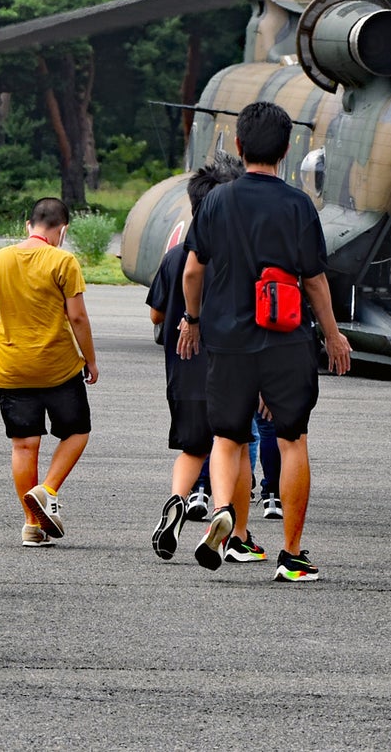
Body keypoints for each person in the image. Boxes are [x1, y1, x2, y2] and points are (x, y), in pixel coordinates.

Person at [177, 100, 352, 582]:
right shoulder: (297, 205)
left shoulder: (215, 201)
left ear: (238, 145)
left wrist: (192, 320)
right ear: (288, 149)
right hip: (285, 340)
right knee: (292, 439)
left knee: (227, 437)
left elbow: (194, 269)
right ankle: (292, 556)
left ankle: (225, 521)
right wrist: (334, 337)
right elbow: (315, 280)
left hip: (228, 339)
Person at [146, 155, 264, 564]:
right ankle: (232, 527)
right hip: (231, 369)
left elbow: (157, 315)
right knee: (234, 443)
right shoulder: (241, 256)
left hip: (183, 374)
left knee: (192, 448)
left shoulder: (176, 256)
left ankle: (178, 500)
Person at [0, 197, 99, 547]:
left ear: (28, 225)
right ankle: (46, 490)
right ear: (62, 230)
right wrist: (90, 359)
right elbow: (77, 316)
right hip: (58, 368)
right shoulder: (63, 261)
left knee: (24, 445)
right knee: (76, 431)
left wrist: (14, 305)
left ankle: (32, 525)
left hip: (11, 368)